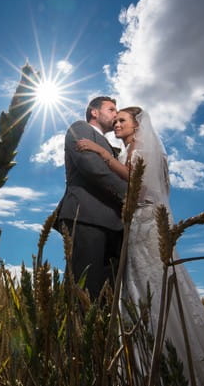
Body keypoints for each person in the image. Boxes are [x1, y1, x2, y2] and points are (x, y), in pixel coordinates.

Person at [76, 107, 204, 386]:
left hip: (147, 223)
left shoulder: (144, 151)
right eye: (114, 120)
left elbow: (136, 182)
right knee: (137, 287)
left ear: (137, 126)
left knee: (153, 282)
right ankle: (144, 364)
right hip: (135, 223)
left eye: (121, 120)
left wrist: (102, 154)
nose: (116, 124)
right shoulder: (131, 150)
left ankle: (173, 362)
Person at [54, 96, 127, 298]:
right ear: (94, 112)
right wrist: (130, 195)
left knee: (108, 294)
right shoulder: (80, 128)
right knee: (85, 288)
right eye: (111, 109)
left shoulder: (111, 147)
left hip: (114, 225)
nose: (116, 114)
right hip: (87, 216)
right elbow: (93, 168)